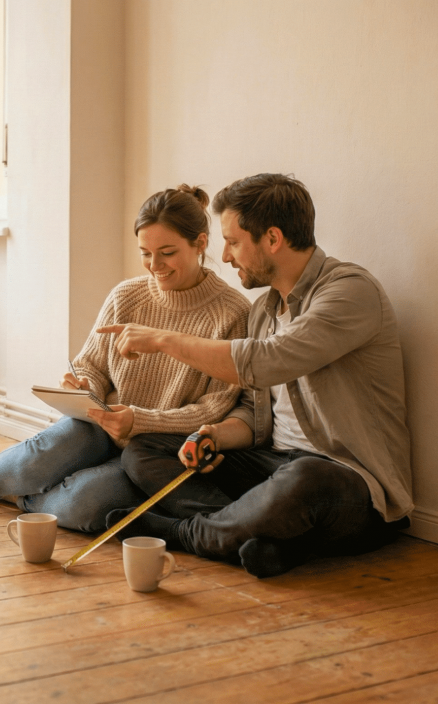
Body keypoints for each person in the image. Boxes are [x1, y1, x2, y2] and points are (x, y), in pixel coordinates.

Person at [100, 173, 413, 577]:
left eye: (232, 242)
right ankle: (262, 537)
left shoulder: (350, 292)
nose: (226, 256)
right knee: (145, 448)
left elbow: (268, 360)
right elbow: (254, 408)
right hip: (274, 465)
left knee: (307, 476)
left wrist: (164, 340)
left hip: (349, 483)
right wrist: (215, 435)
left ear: (272, 239)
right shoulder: (264, 311)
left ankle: (190, 533)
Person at [0, 185, 250, 533]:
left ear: (201, 243)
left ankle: (15, 498)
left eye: (167, 252)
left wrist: (140, 421)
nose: (154, 266)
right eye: (145, 253)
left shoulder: (231, 313)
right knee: (52, 446)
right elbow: (91, 364)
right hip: (100, 426)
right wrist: (83, 384)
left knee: (85, 507)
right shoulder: (127, 296)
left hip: (155, 450)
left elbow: (215, 408)